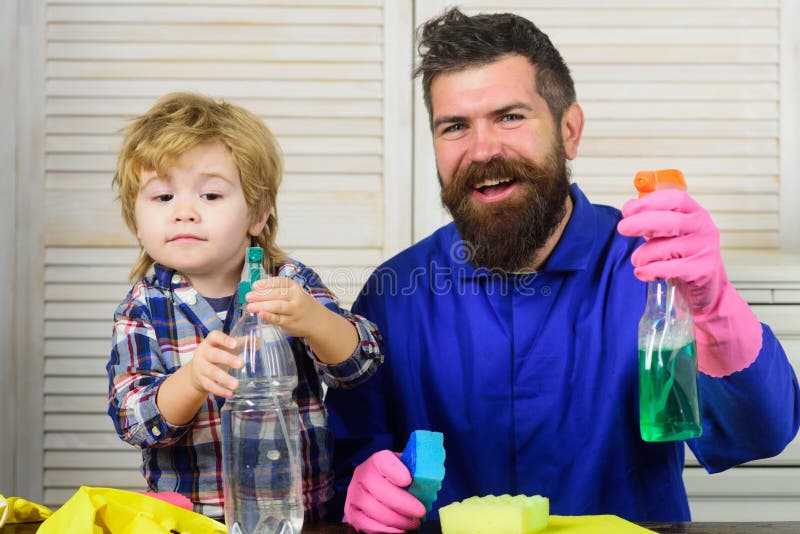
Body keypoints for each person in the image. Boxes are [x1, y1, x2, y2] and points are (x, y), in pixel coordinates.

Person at [325, 8, 800, 532]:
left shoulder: (652, 272)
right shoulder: (394, 296)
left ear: (569, 131)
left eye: (510, 117)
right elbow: (348, 463)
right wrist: (359, 490)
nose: (482, 149)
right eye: (455, 126)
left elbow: (759, 433)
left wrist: (713, 305)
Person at [106, 92, 385, 521]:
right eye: (162, 198)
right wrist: (192, 379)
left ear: (257, 214)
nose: (184, 212)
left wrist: (314, 320)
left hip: (301, 515)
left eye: (211, 196)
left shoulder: (289, 282)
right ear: (135, 219)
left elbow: (361, 365)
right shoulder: (142, 308)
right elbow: (135, 420)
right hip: (192, 521)